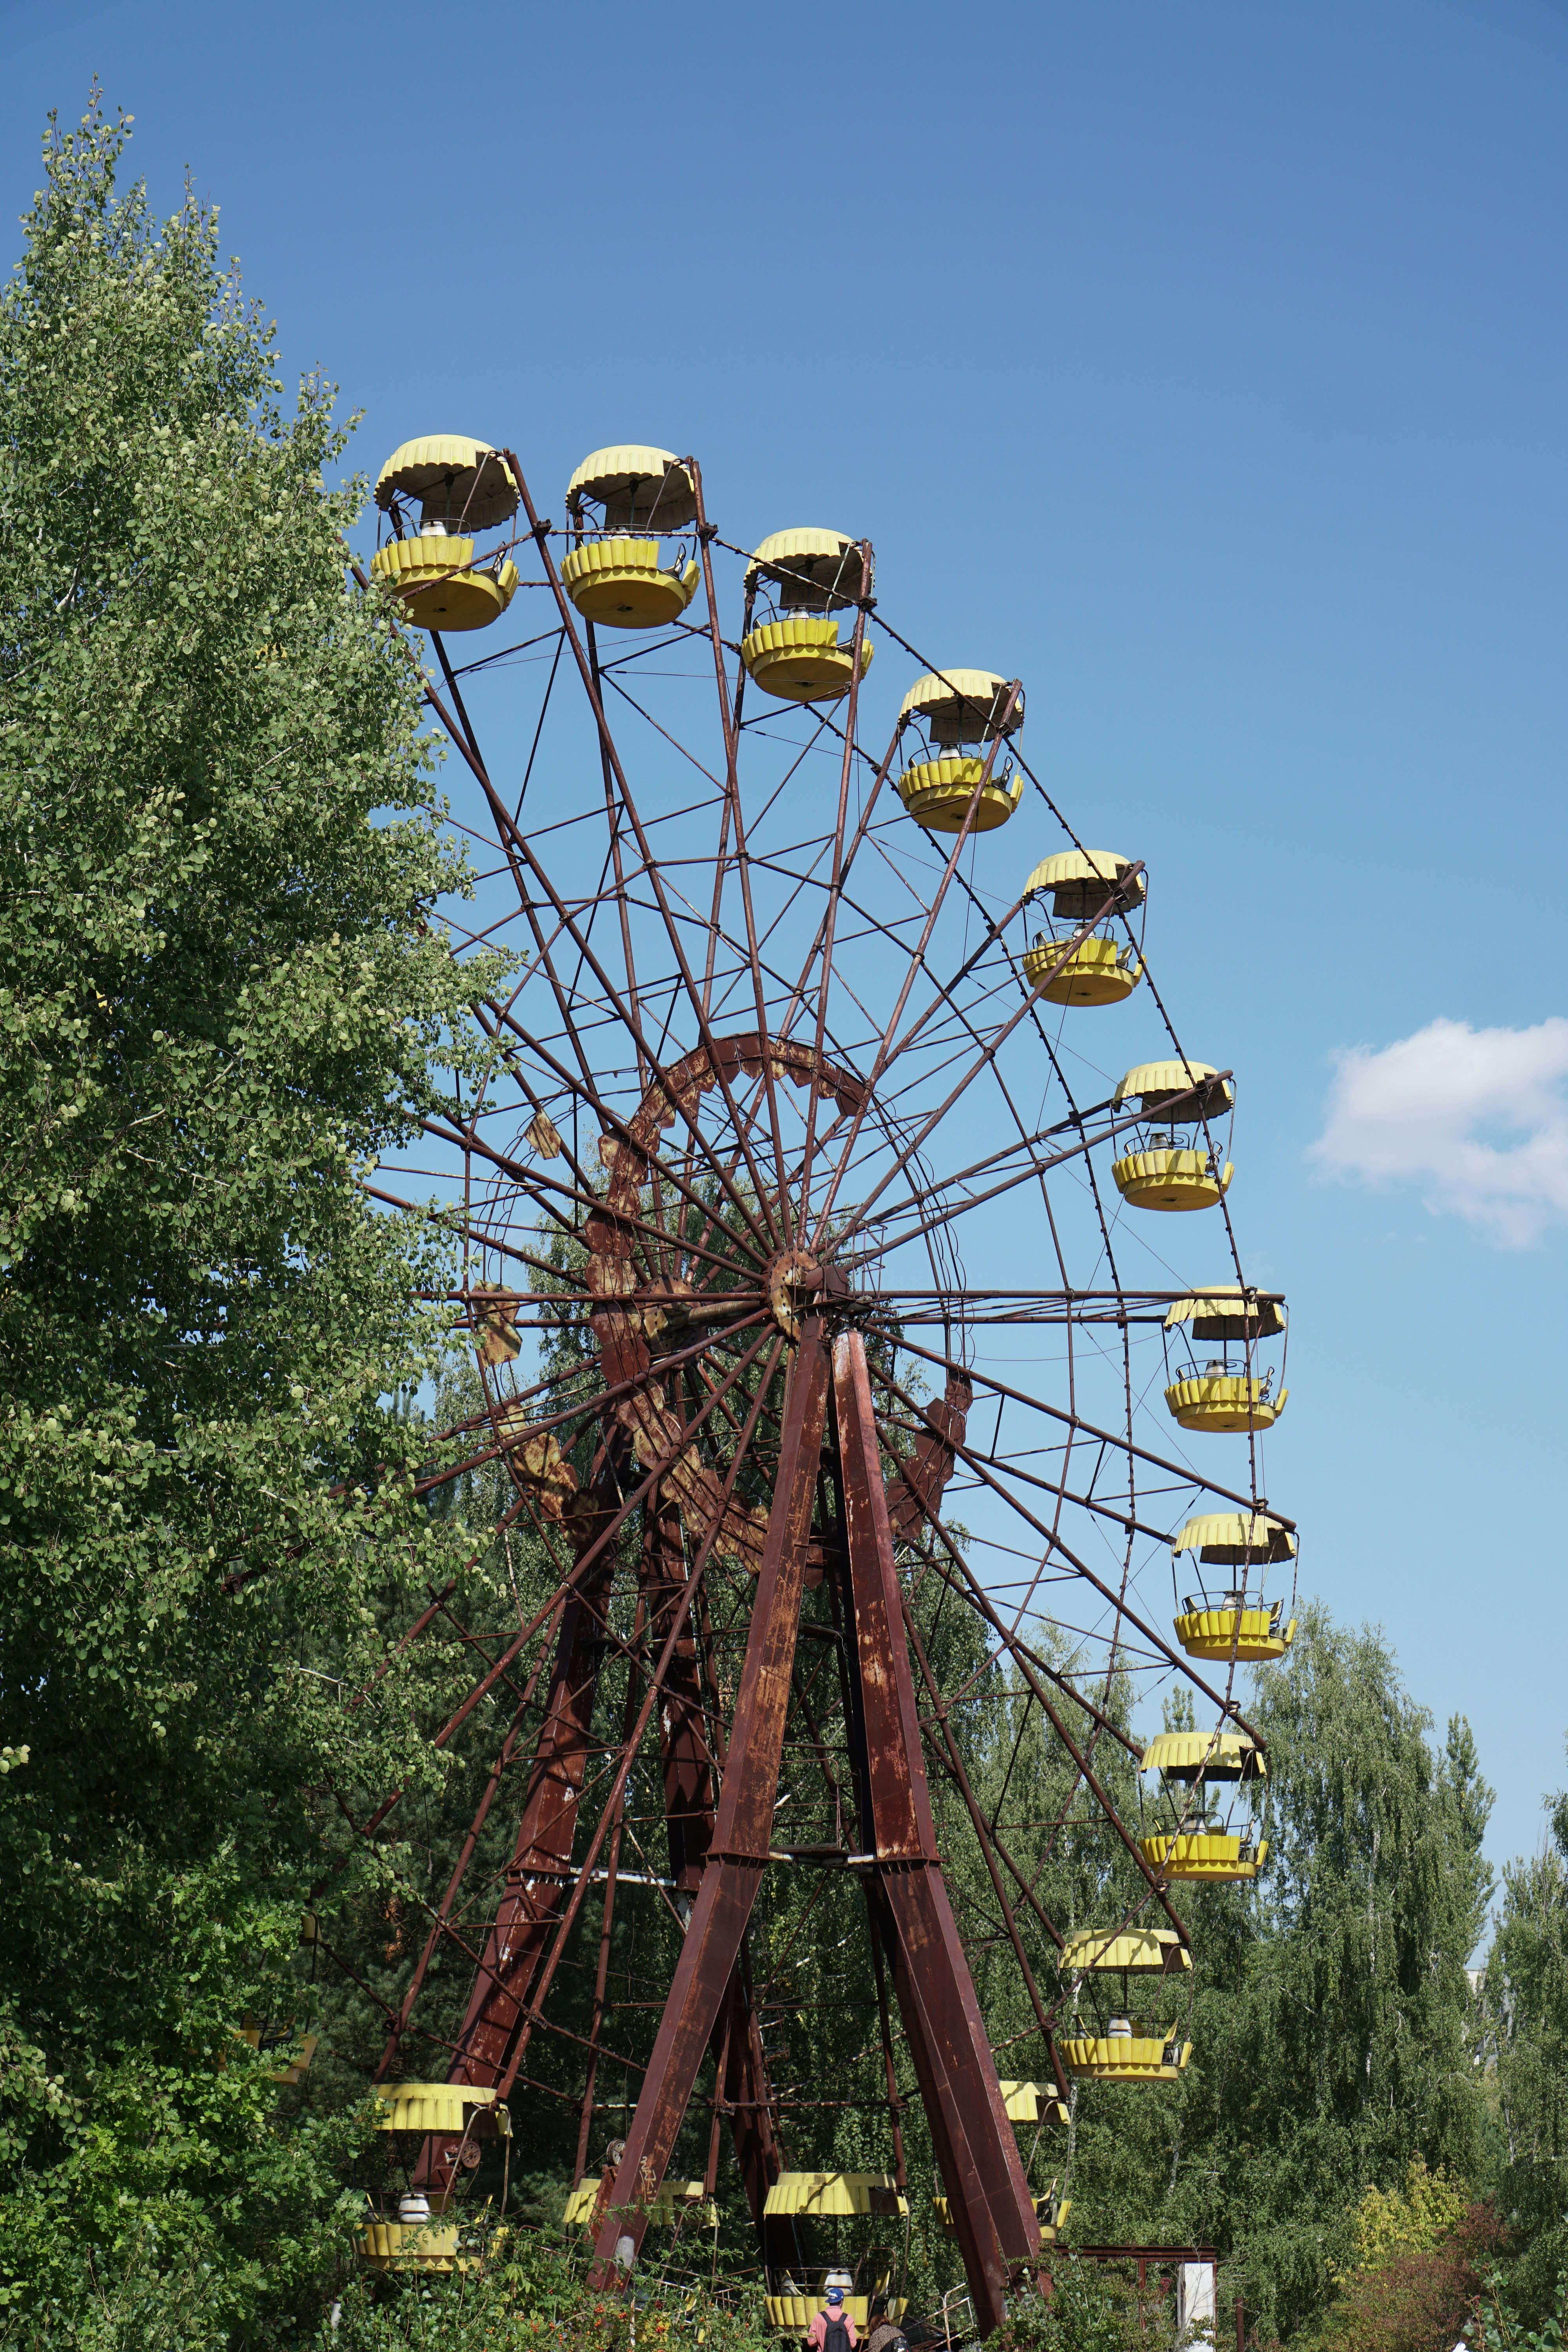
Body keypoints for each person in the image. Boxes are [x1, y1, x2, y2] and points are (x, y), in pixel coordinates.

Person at [808, 2285, 857, 2352]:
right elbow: (853, 2344)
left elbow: (811, 2342)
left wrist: (822, 2342)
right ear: (841, 2302)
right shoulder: (848, 2318)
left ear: (829, 2301)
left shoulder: (819, 2317)